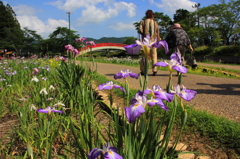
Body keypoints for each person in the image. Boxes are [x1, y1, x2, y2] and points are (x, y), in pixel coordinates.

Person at [138, 10, 161, 76]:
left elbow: (140, 30)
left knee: (144, 56)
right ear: (152, 15)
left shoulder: (143, 21)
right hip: (153, 41)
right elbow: (157, 32)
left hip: (145, 41)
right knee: (154, 55)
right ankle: (155, 70)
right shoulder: (155, 23)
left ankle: (143, 70)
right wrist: (158, 40)